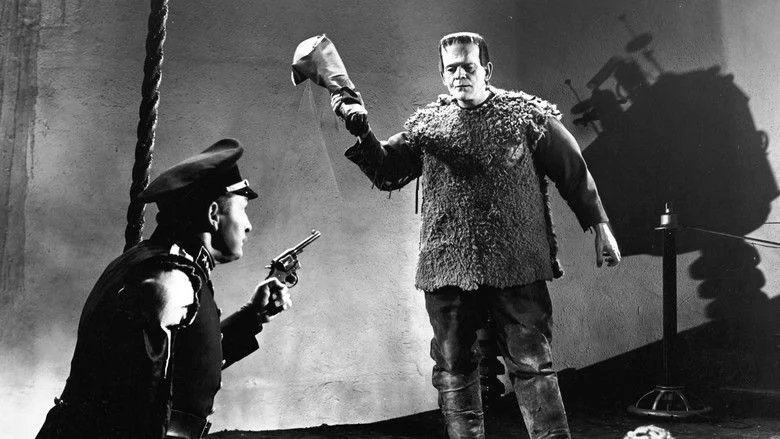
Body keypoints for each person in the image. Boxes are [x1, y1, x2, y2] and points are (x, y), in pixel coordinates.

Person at [332, 32, 621, 439]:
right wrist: (361, 132)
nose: (460, 75)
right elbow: (387, 172)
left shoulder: (527, 117)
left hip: (516, 264)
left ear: (487, 69)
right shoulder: (427, 125)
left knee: (533, 365)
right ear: (442, 74)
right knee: (454, 367)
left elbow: (573, 171)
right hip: (448, 266)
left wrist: (601, 228)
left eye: (468, 66)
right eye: (452, 68)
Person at [36, 139, 292, 439]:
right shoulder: (170, 281)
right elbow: (137, 410)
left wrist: (252, 315)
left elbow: (185, 369)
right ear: (213, 214)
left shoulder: (159, 264)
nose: (248, 225)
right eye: (242, 210)